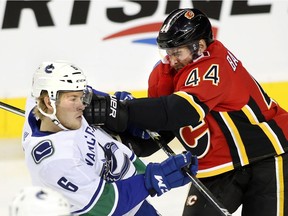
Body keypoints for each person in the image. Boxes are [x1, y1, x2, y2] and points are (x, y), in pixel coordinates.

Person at [84, 8, 288, 216]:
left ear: (199, 46)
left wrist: (119, 109)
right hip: (217, 168)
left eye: (177, 53)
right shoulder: (164, 73)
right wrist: (122, 136)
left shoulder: (215, 62)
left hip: (268, 156)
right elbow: (161, 129)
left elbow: (179, 111)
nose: (172, 60)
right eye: (168, 53)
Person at [21, 60, 198, 216]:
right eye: (73, 98)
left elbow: (87, 95)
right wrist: (155, 178)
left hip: (132, 198)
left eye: (81, 97)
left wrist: (118, 107)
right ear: (47, 103)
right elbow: (105, 205)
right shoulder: (56, 160)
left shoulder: (55, 107)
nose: (82, 105)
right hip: (118, 206)